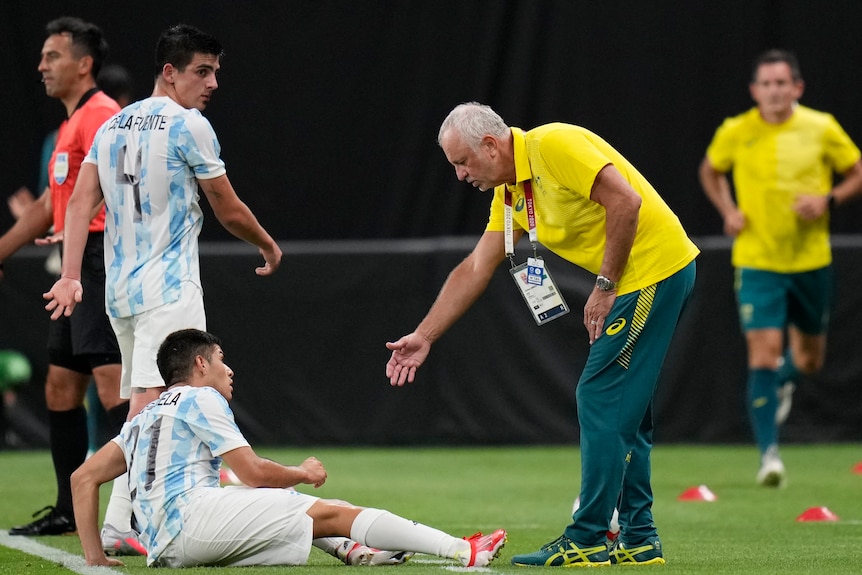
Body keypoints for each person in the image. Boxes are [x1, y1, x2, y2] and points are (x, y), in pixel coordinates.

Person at [385, 103, 699, 567]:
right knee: (627, 411)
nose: (458, 175)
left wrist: (605, 285)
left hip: (651, 271)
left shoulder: (554, 144)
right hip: (642, 277)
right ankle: (639, 537)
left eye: (462, 162)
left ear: (490, 146)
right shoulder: (512, 191)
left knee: (599, 397)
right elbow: (476, 266)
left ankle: (589, 536)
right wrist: (425, 335)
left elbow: (626, 201)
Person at [42, 23, 283, 555]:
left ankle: (125, 515)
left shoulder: (113, 125)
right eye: (202, 71)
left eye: (216, 71)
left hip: (121, 293)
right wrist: (267, 245)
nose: (213, 82)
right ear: (169, 73)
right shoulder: (187, 125)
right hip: (167, 288)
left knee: (141, 403)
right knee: (157, 405)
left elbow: (81, 202)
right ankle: (121, 519)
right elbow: (227, 206)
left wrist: (71, 273)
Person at [70, 328, 508, 568]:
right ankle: (462, 550)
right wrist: (302, 471)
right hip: (190, 523)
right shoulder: (201, 397)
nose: (229, 367)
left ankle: (355, 551)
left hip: (166, 540)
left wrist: (94, 557)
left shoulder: (144, 414)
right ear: (200, 364)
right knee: (328, 509)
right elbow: (255, 472)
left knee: (294, 504)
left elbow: (83, 478)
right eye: (221, 358)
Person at [698, 49, 862, 487]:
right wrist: (728, 210)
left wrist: (827, 200)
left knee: (809, 360)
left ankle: (785, 382)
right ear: (754, 91)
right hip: (757, 260)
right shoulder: (736, 130)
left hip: (811, 260)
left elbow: (856, 171)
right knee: (763, 355)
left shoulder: (821, 127)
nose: (774, 91)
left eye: (781, 83)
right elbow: (710, 171)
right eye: (765, 84)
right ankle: (769, 455)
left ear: (797, 87)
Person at [0, 16, 129, 536]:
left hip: (103, 262)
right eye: (41, 57)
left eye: (53, 56)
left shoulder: (102, 115)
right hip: (80, 263)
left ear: (84, 63)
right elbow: (56, 209)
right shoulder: (69, 126)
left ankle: (131, 513)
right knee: (60, 387)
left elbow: (119, 195)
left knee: (113, 387)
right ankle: (66, 509)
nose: (42, 66)